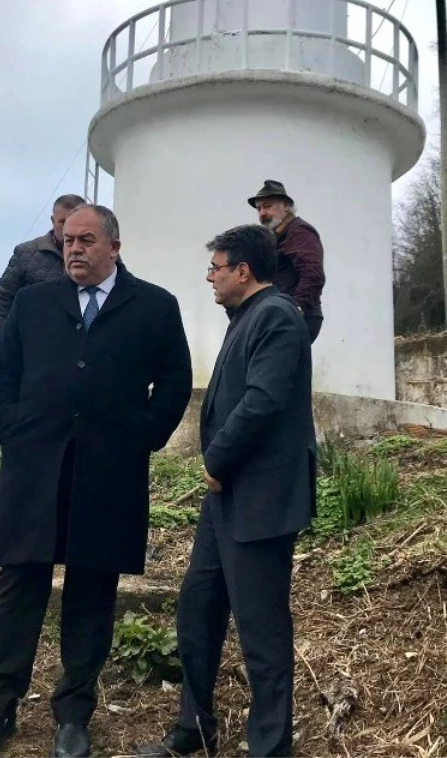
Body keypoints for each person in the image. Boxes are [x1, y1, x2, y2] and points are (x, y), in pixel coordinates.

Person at [0, 204, 193, 758]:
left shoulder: (155, 307)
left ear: (114, 246)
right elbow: (0, 371)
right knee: (19, 585)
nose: (73, 249)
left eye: (86, 240)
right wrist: (9, 428)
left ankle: (73, 715)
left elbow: (174, 381)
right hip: (33, 466)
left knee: (92, 592)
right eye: (67, 240)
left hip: (108, 472)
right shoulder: (33, 302)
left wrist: (142, 436)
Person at [137, 225, 316, 758]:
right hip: (226, 502)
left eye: (215, 267)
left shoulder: (278, 317)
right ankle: (194, 728)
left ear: (243, 270)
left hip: (258, 498)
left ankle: (269, 747)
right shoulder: (247, 319)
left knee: (262, 631)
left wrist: (216, 459)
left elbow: (263, 400)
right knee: (198, 608)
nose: (209, 278)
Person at [0, 193, 87, 355]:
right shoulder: (26, 254)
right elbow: (2, 302)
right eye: (63, 222)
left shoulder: (103, 256)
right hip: (33, 355)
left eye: (76, 222)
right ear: (53, 221)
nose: (69, 229)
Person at [248, 180, 325, 344]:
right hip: (282, 314)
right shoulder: (277, 236)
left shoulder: (299, 232)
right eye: (259, 208)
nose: (262, 213)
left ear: (286, 206)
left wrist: (296, 309)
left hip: (297, 316)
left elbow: (313, 275)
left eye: (267, 206)